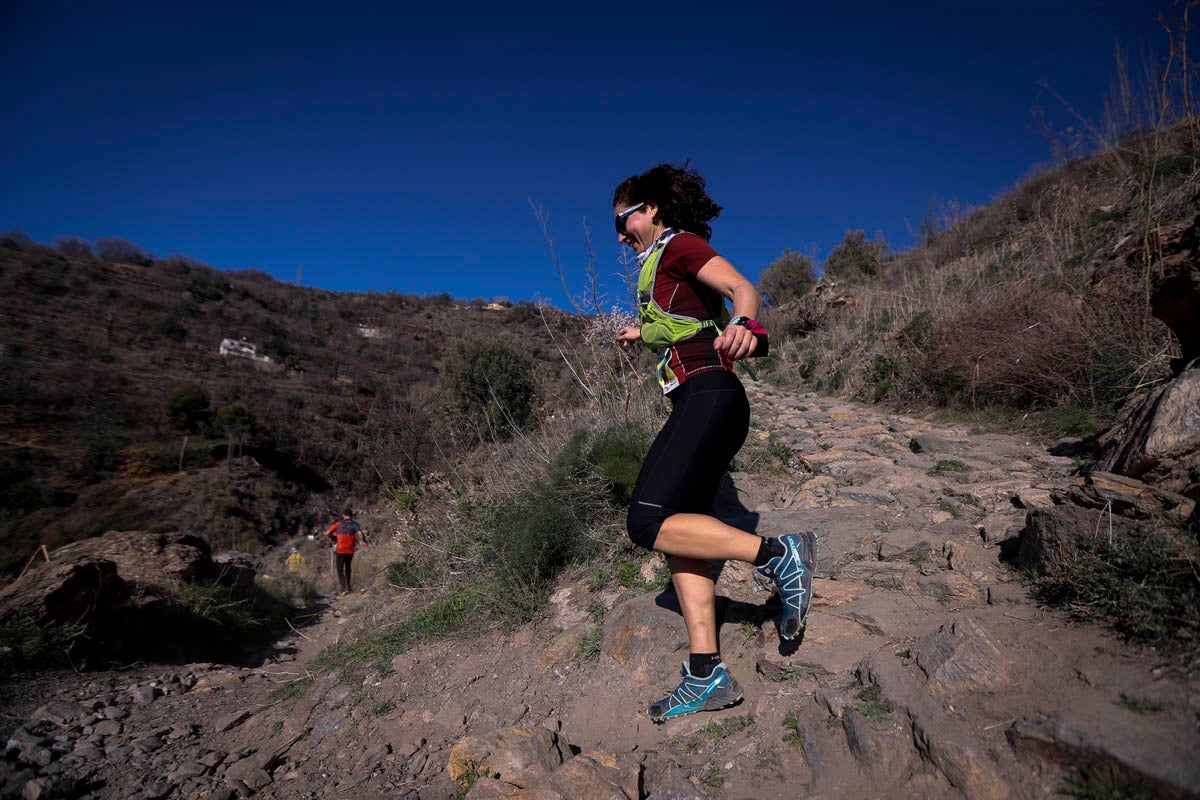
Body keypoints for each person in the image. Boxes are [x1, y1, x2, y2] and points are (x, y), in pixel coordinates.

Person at [612, 163, 817, 723]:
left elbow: (740, 288)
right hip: (700, 400)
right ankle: (706, 674)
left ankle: (779, 556)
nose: (621, 233)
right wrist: (640, 332)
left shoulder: (681, 245)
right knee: (684, 535)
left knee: (646, 521)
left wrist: (747, 324)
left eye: (623, 220)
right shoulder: (658, 268)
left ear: (651, 208)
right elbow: (683, 320)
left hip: (711, 395)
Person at [326, 510, 366, 595]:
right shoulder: (355, 524)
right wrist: (363, 542)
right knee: (348, 567)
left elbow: (328, 533)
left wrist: (334, 538)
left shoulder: (339, 524)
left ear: (343, 515)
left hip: (340, 550)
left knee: (340, 570)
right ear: (351, 515)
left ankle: (345, 588)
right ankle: (348, 585)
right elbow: (360, 533)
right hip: (350, 549)